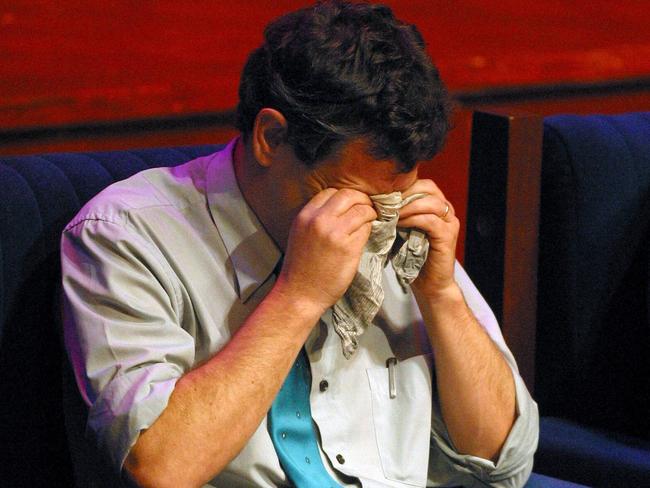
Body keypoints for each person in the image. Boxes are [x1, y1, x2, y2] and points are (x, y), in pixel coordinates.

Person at [61, 1, 538, 487]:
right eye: (353, 199)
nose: (377, 222)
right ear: (270, 137)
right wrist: (298, 296)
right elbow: (161, 469)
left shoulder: (395, 224)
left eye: (391, 202)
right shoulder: (122, 236)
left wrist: (441, 296)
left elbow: (507, 461)